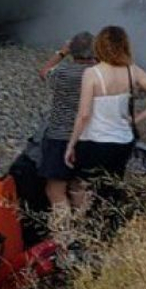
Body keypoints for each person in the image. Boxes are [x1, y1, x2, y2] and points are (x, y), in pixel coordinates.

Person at [65, 26, 146, 236]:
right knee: (112, 184)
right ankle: (111, 227)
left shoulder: (92, 74)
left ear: (99, 47)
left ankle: (90, 230)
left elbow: (84, 115)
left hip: (95, 141)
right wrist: (136, 119)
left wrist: (71, 144)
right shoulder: (132, 70)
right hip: (123, 140)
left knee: (85, 185)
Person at [37, 32, 97, 229]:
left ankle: (63, 238)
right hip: (90, 137)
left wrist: (62, 52)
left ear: (73, 51)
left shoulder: (62, 73)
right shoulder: (99, 75)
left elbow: (44, 71)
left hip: (60, 137)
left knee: (56, 191)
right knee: (80, 186)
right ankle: (84, 232)